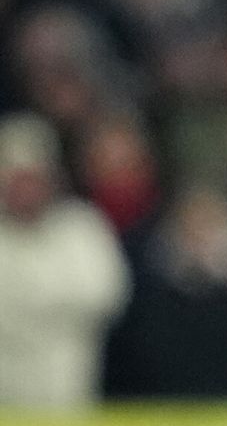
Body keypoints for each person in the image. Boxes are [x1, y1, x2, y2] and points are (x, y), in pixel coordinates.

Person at [0, 111, 131, 409]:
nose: (24, 189)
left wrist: (27, 304)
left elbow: (106, 296)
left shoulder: (81, 227)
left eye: (32, 178)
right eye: (15, 179)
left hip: (66, 389)